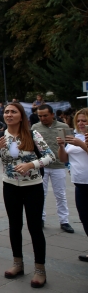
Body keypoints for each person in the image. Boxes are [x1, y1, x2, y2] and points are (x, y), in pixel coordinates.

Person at [0, 102, 55, 288]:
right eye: (6, 112)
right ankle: (18, 263)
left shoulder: (32, 134)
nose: (9, 115)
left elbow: (50, 156)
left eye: (13, 112)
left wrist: (31, 165)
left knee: (34, 227)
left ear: (21, 115)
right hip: (10, 186)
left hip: (33, 186)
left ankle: (40, 269)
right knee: (14, 225)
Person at [32, 104, 74, 233]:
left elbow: (71, 144)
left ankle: (64, 220)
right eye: (40, 116)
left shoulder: (64, 127)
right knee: (40, 194)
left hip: (58, 165)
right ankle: (41, 218)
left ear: (52, 115)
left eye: (45, 115)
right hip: (42, 165)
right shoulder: (35, 127)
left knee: (60, 194)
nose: (42, 118)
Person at [56, 109, 88, 262]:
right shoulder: (75, 137)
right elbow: (63, 159)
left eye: (85, 120)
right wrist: (62, 146)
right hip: (79, 183)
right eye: (79, 120)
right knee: (85, 218)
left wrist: (82, 144)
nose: (81, 123)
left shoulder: (81, 140)